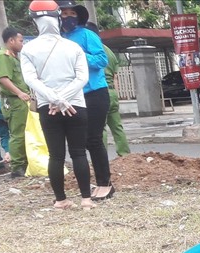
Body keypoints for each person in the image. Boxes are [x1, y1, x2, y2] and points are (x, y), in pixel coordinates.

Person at [20, 0, 95, 210]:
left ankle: (61, 200)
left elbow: (31, 80)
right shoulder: (73, 47)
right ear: (58, 17)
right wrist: (64, 98)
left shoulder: (28, 49)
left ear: (35, 22)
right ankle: (86, 199)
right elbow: (82, 78)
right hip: (76, 105)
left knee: (56, 155)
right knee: (79, 152)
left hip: (48, 107)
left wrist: (54, 99)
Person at [57, 0, 114, 201]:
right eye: (63, 13)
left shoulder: (87, 35)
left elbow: (101, 60)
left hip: (94, 93)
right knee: (80, 142)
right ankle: (97, 182)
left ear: (78, 16)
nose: (67, 17)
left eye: (71, 13)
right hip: (73, 96)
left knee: (94, 139)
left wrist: (79, 57)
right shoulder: (60, 39)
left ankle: (105, 183)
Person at [0, 26, 31, 177]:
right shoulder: (3, 56)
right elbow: (3, 79)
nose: (22, 44)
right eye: (20, 41)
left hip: (21, 100)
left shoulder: (13, 56)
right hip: (14, 101)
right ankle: (17, 167)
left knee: (25, 132)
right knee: (18, 133)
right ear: (11, 40)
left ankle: (25, 162)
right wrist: (20, 93)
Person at [86, 22, 130, 157]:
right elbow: (115, 77)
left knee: (100, 128)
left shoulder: (90, 53)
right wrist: (115, 94)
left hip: (98, 92)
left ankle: (101, 157)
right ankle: (125, 154)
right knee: (117, 126)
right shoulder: (109, 52)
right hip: (111, 92)